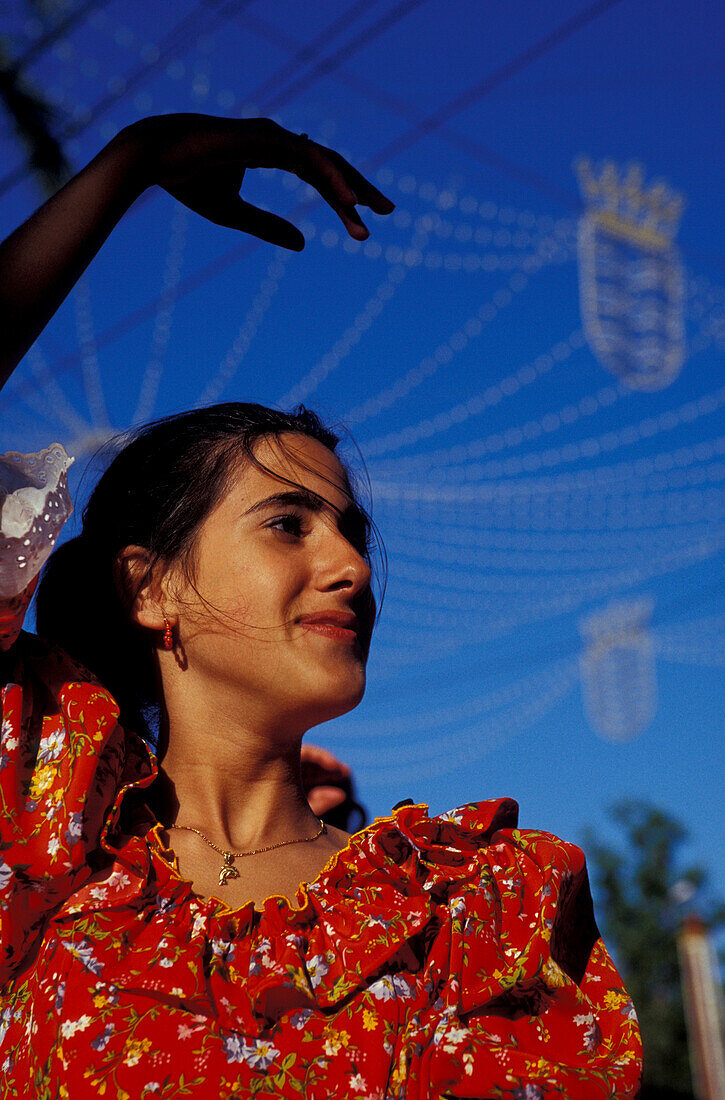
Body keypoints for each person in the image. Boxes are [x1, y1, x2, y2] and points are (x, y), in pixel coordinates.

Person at [0, 114, 642, 1098]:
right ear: (151, 584)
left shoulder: (469, 901)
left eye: (351, 531)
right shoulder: (43, 821)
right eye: (288, 525)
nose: (350, 564)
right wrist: (134, 164)